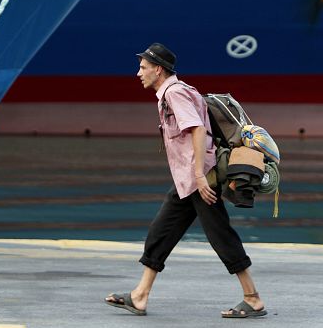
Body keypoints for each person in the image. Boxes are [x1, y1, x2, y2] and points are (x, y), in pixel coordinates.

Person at [104, 43, 267, 318]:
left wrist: (200, 176)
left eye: (143, 68)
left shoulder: (175, 93)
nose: (138, 73)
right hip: (188, 181)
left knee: (220, 235)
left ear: (158, 69)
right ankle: (140, 295)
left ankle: (252, 298)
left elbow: (198, 129)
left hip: (198, 178)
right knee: (161, 231)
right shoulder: (177, 91)